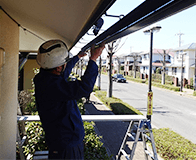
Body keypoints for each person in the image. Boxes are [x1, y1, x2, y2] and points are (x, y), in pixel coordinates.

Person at [33, 39, 104, 159]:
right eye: (64, 63)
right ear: (58, 68)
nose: (66, 65)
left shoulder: (45, 79)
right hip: (67, 147)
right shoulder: (53, 86)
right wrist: (93, 60)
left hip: (61, 143)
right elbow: (84, 87)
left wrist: (77, 57)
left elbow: (63, 73)